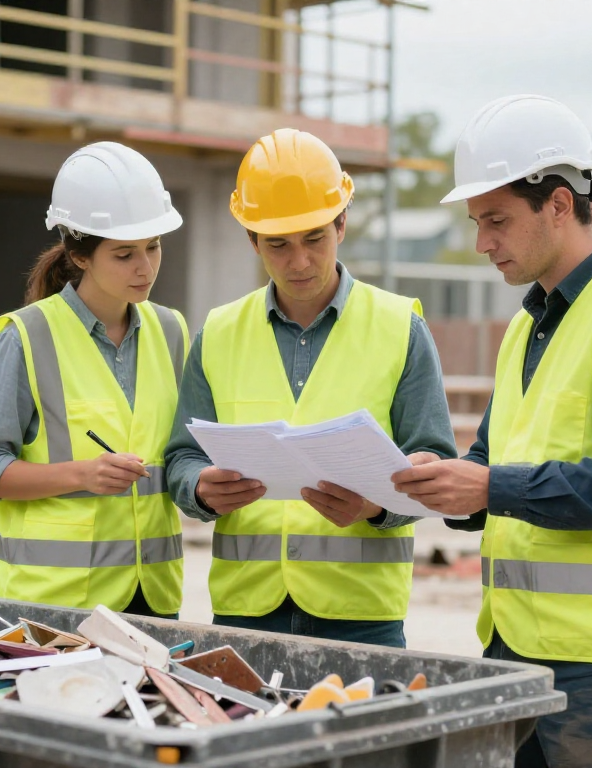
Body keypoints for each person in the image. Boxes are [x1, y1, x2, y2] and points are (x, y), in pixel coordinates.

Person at [392, 95, 592, 767]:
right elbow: (492, 464)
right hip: (522, 647)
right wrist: (438, 478)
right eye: (479, 223)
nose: (482, 243)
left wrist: (490, 485)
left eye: (497, 221)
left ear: (559, 204)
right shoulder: (530, 323)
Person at [164, 128, 457, 647]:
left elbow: (433, 464)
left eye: (314, 238)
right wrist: (200, 489)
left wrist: (376, 507)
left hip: (363, 617)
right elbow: (182, 459)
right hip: (245, 613)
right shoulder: (218, 333)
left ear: (341, 223)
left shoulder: (399, 328)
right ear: (251, 238)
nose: (299, 261)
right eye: (278, 244)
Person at [0, 142, 189, 618]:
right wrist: (81, 474)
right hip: (56, 606)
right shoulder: (25, 337)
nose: (145, 267)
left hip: (154, 598)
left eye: (154, 247)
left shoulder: (171, 331)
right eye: (124, 254)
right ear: (81, 256)